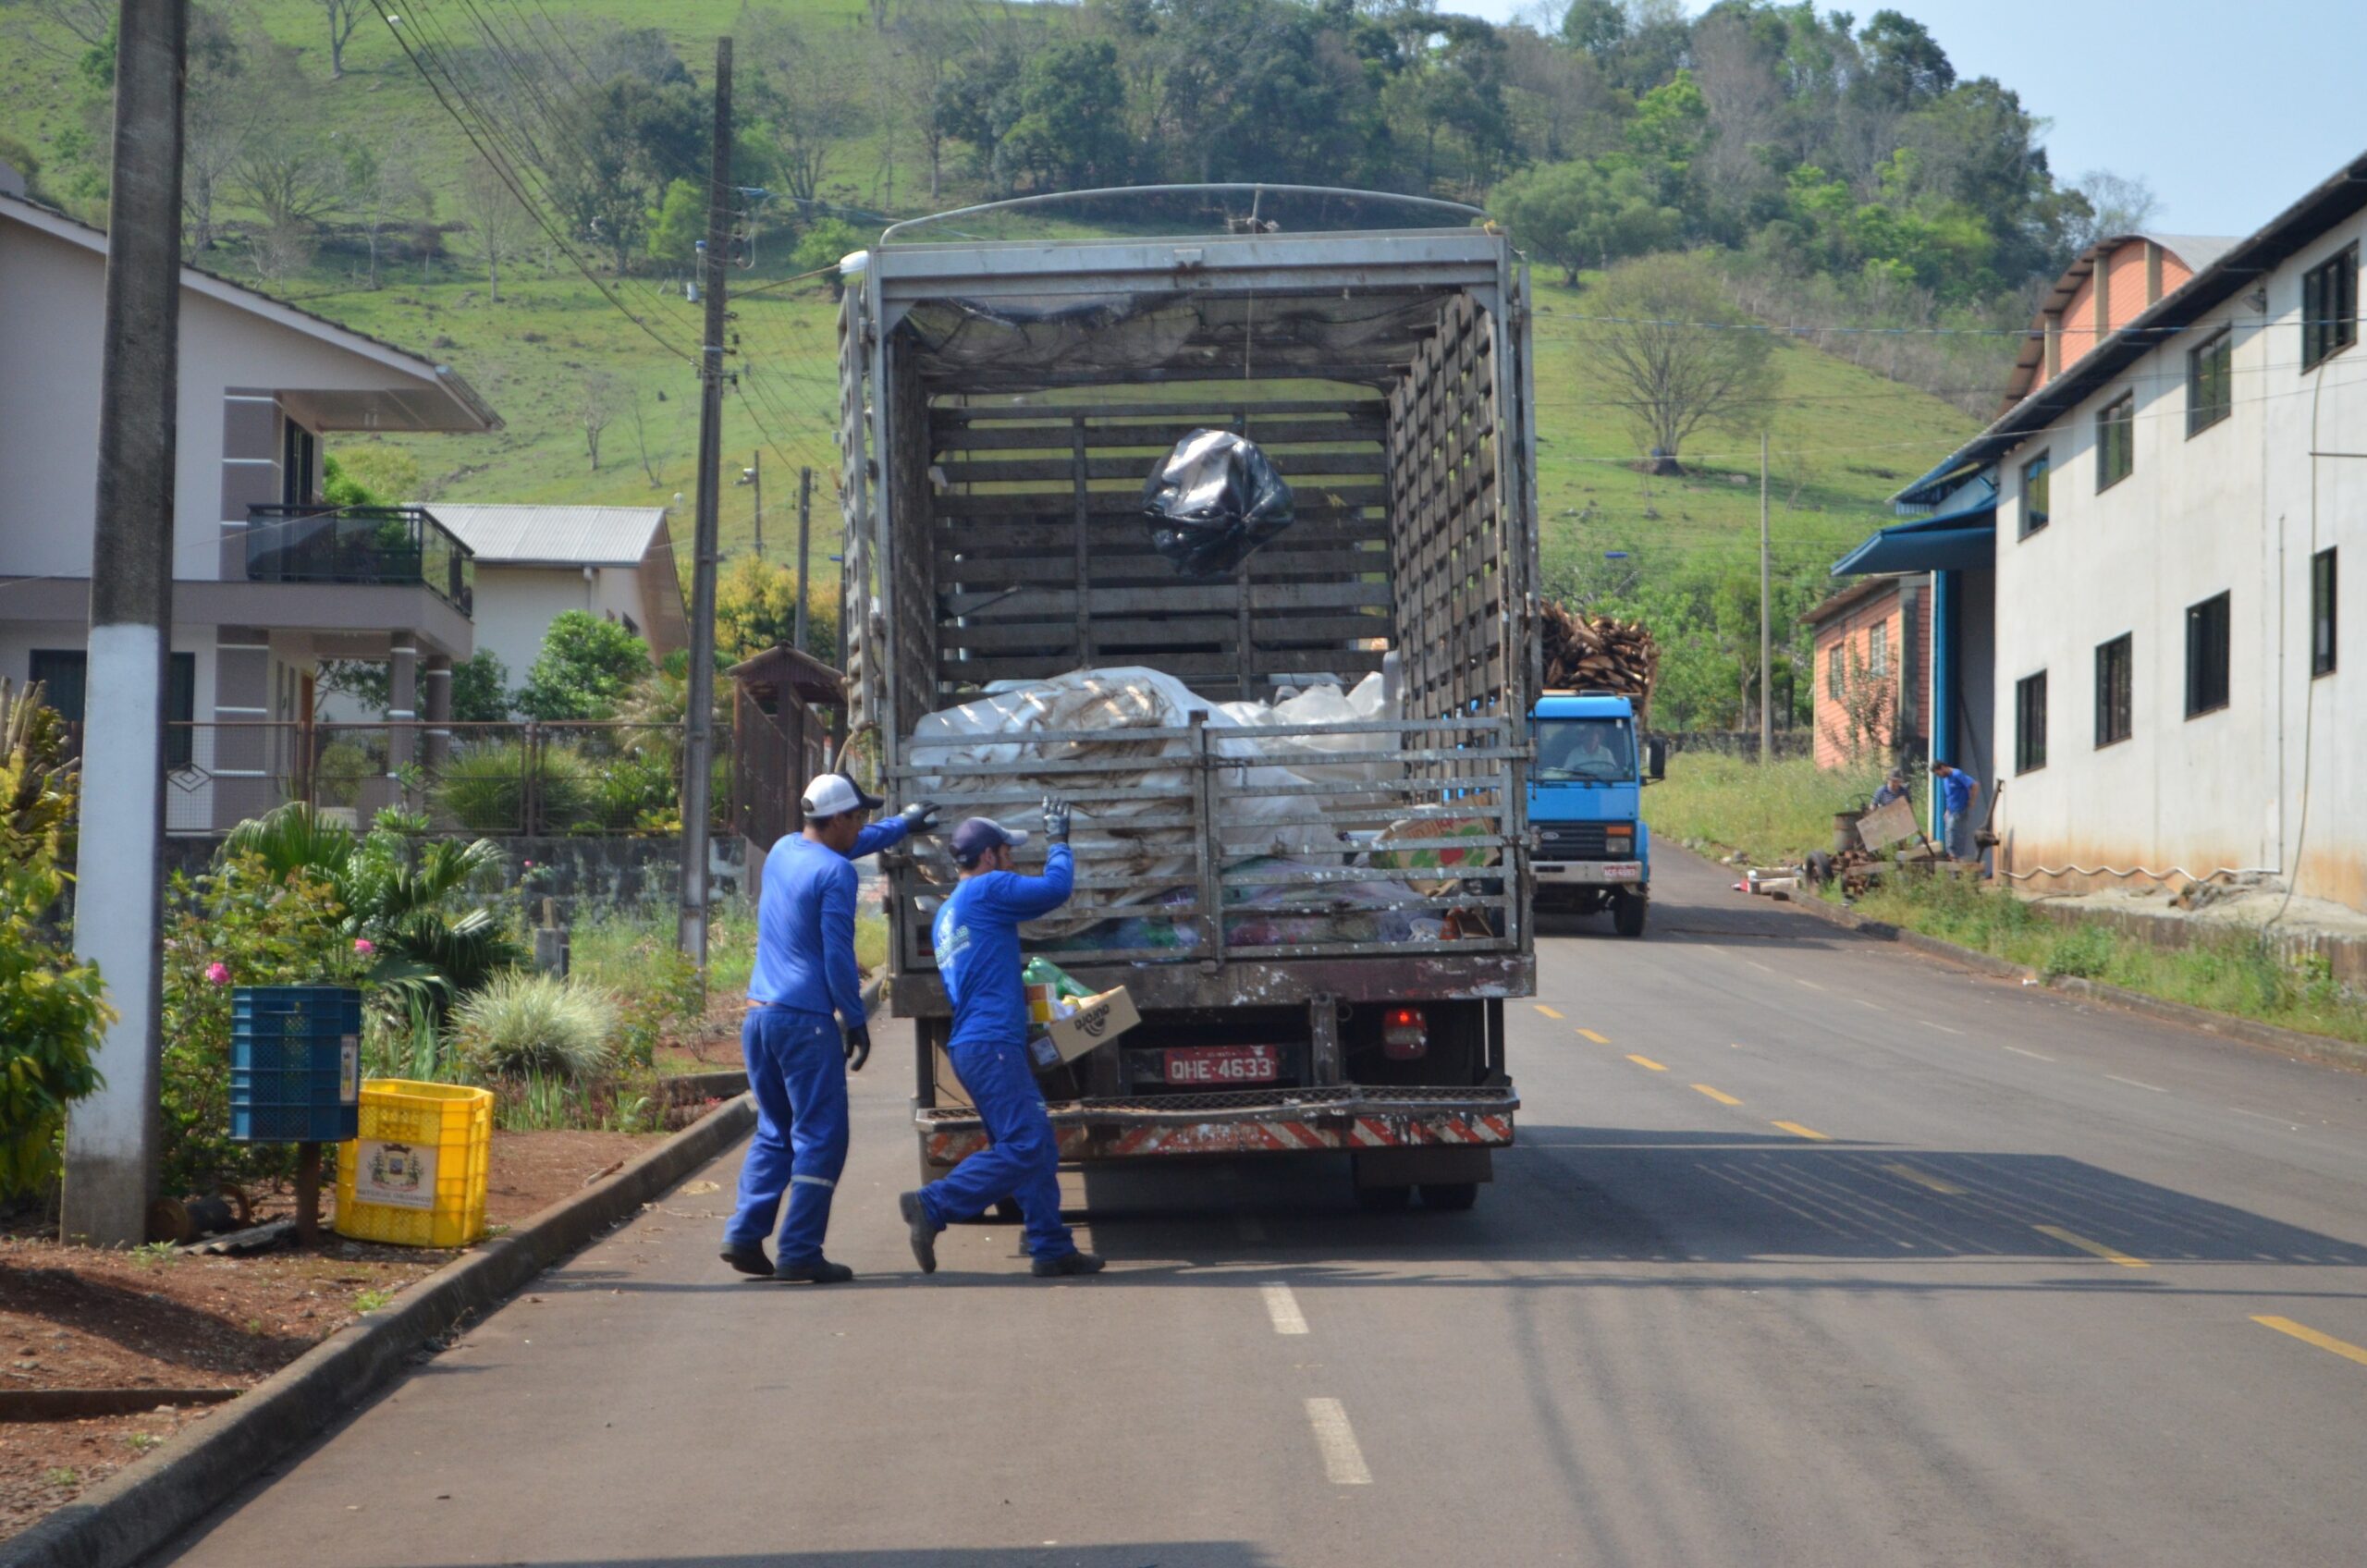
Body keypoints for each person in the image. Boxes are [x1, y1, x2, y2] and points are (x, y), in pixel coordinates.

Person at [719, 773, 938, 1283]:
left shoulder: (784, 850)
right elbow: (839, 957)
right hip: (804, 1021)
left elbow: (854, 843)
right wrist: (855, 1020)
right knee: (822, 1136)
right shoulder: (835, 877)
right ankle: (799, 1249)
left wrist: (900, 826)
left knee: (776, 1131)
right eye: (857, 817)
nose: (860, 826)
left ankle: (744, 1233)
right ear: (836, 818)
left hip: (760, 1016)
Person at [898, 799, 1104, 1279]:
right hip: (991, 1045)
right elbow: (1057, 889)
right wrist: (1059, 841)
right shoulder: (990, 889)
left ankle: (1051, 1247)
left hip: (976, 1044)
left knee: (1029, 1144)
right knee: (1029, 1143)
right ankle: (932, 1204)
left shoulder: (952, 910)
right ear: (988, 857)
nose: (1013, 860)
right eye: (1008, 852)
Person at [1932, 760, 1979, 862]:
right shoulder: (1945, 779)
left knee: (1953, 830)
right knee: (1950, 831)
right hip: (1951, 811)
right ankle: (1954, 856)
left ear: (1943, 767)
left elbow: (1974, 785)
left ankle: (1954, 855)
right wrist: (1947, 811)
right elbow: (1950, 796)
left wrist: (1972, 800)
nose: (1938, 776)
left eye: (1937, 773)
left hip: (1960, 809)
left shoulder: (1957, 774)